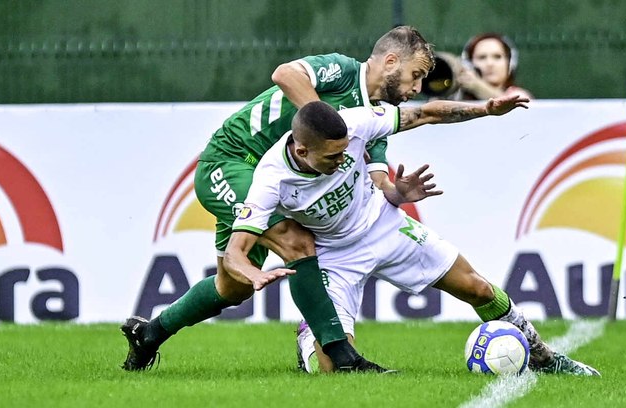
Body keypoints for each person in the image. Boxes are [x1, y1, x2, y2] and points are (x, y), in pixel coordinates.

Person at [121, 25, 437, 373]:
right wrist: (325, 123)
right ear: (391, 62)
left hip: (275, 180)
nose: (417, 88)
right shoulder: (344, 72)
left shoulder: (373, 113)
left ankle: (150, 334)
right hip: (234, 160)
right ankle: (343, 357)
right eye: (415, 76)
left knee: (233, 286)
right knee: (295, 242)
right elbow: (285, 74)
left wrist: (396, 192)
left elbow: (378, 179)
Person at [224, 99, 600, 377]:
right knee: (332, 369)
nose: (342, 162)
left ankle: (545, 357)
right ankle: (310, 335)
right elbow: (234, 253)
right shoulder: (270, 179)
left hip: (384, 225)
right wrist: (253, 275)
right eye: (331, 158)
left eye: (345, 154)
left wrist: (485, 108)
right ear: (302, 150)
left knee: (479, 288)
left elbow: (424, 113)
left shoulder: (357, 124)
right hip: (334, 257)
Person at [456, 33, 533, 100]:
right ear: (468, 64)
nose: (490, 63)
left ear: (510, 63)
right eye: (482, 57)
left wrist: (478, 86)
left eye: (497, 57)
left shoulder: (520, 96)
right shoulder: (458, 98)